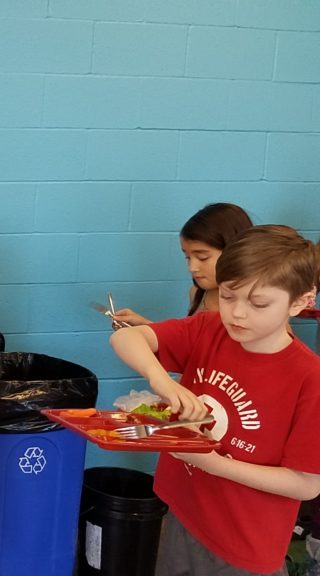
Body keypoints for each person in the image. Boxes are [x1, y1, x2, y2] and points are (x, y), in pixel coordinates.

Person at [109, 224, 320, 574]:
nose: (237, 313)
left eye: (258, 303)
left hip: (245, 541)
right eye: (227, 296)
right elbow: (126, 340)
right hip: (183, 511)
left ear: (300, 301)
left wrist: (214, 463)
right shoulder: (209, 329)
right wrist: (161, 380)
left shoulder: (309, 379)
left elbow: (307, 483)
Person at [113, 203, 253, 326]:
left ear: (235, 252)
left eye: (202, 257)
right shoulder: (197, 293)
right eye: (187, 257)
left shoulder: (252, 306)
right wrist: (144, 326)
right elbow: (188, 344)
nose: (192, 268)